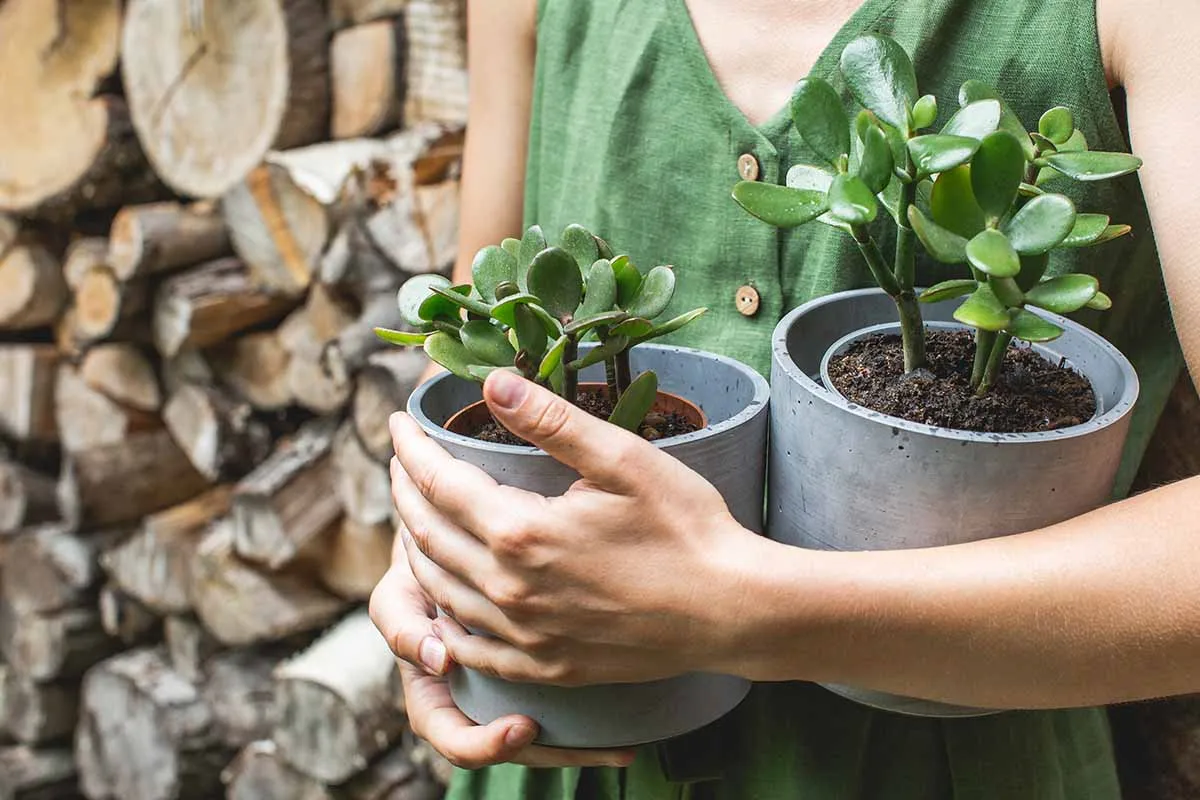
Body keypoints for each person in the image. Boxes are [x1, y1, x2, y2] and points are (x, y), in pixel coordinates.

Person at [370, 0, 1200, 797]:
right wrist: (439, 561)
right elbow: (477, 348)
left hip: (950, 765)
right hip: (562, 733)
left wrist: (750, 611)